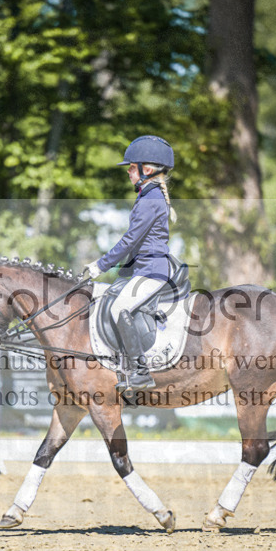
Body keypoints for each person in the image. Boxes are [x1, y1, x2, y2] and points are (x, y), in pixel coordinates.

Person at [82, 135, 177, 391]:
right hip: (143, 269)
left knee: (119, 308)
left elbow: (129, 241)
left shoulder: (150, 199)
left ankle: (140, 372)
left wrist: (100, 265)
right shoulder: (148, 196)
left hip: (152, 271)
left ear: (148, 170)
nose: (128, 171)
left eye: (132, 167)